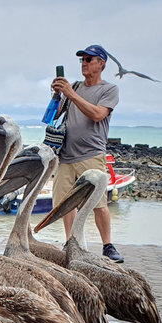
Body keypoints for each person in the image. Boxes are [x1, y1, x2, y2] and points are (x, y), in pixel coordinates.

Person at [50, 44, 123, 263]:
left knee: (98, 203)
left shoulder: (108, 90)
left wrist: (71, 95)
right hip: (65, 155)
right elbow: (52, 116)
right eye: (82, 60)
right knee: (63, 203)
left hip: (91, 154)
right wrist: (57, 95)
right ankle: (71, 242)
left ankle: (107, 245)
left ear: (101, 64)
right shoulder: (74, 87)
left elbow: (98, 114)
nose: (84, 63)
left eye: (89, 60)